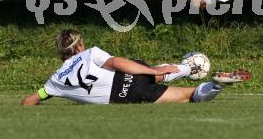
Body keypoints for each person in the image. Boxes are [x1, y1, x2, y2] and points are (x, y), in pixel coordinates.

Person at [21, 29, 250, 105]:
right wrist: (152, 71)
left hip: (123, 94)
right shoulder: (90, 53)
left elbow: (29, 100)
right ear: (79, 44)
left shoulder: (55, 81)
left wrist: (37, 100)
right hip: (128, 77)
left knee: (188, 96)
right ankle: (191, 70)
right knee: (159, 74)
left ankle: (210, 81)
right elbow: (117, 63)